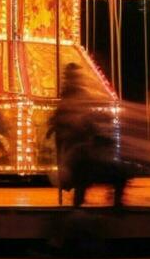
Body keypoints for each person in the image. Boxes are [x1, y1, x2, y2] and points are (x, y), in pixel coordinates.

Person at [48, 63, 130, 208]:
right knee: (84, 171)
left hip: (83, 150)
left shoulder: (76, 97)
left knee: (116, 172)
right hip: (77, 154)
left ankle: (113, 202)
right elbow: (68, 122)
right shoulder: (69, 100)